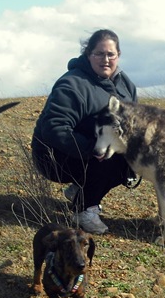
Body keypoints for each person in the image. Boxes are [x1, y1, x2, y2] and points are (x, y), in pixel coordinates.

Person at [32, 29, 138, 234]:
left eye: (110, 54)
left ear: (118, 55)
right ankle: (84, 209)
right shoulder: (72, 84)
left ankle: (81, 191)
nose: (105, 59)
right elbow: (53, 128)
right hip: (55, 157)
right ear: (88, 54)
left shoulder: (125, 85)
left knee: (131, 156)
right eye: (99, 54)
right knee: (110, 152)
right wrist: (90, 149)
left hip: (93, 149)